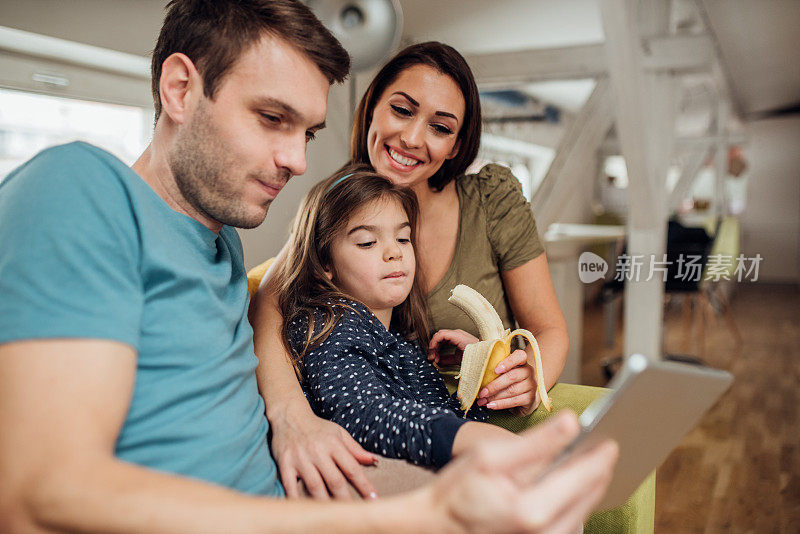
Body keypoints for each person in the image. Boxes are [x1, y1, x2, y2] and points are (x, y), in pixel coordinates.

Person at [0, 1, 617, 532]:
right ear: (180, 89)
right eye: (272, 118)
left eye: (308, 132)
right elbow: (38, 497)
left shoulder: (219, 247)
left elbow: (274, 292)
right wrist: (410, 515)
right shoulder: (79, 187)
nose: (297, 159)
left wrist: (290, 414)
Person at [251, 42, 572, 496]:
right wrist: (290, 417)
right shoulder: (335, 213)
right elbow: (270, 301)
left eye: (440, 127)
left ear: (457, 144)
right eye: (401, 110)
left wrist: (523, 374)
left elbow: (548, 330)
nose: (412, 138)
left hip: (463, 421)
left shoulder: (491, 200)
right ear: (373, 107)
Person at [274, 165, 518, 470]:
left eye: (403, 239)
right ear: (325, 262)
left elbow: (443, 418)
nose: (394, 252)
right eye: (367, 242)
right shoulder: (328, 325)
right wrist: (464, 437)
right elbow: (364, 415)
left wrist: (478, 369)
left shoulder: (403, 340)